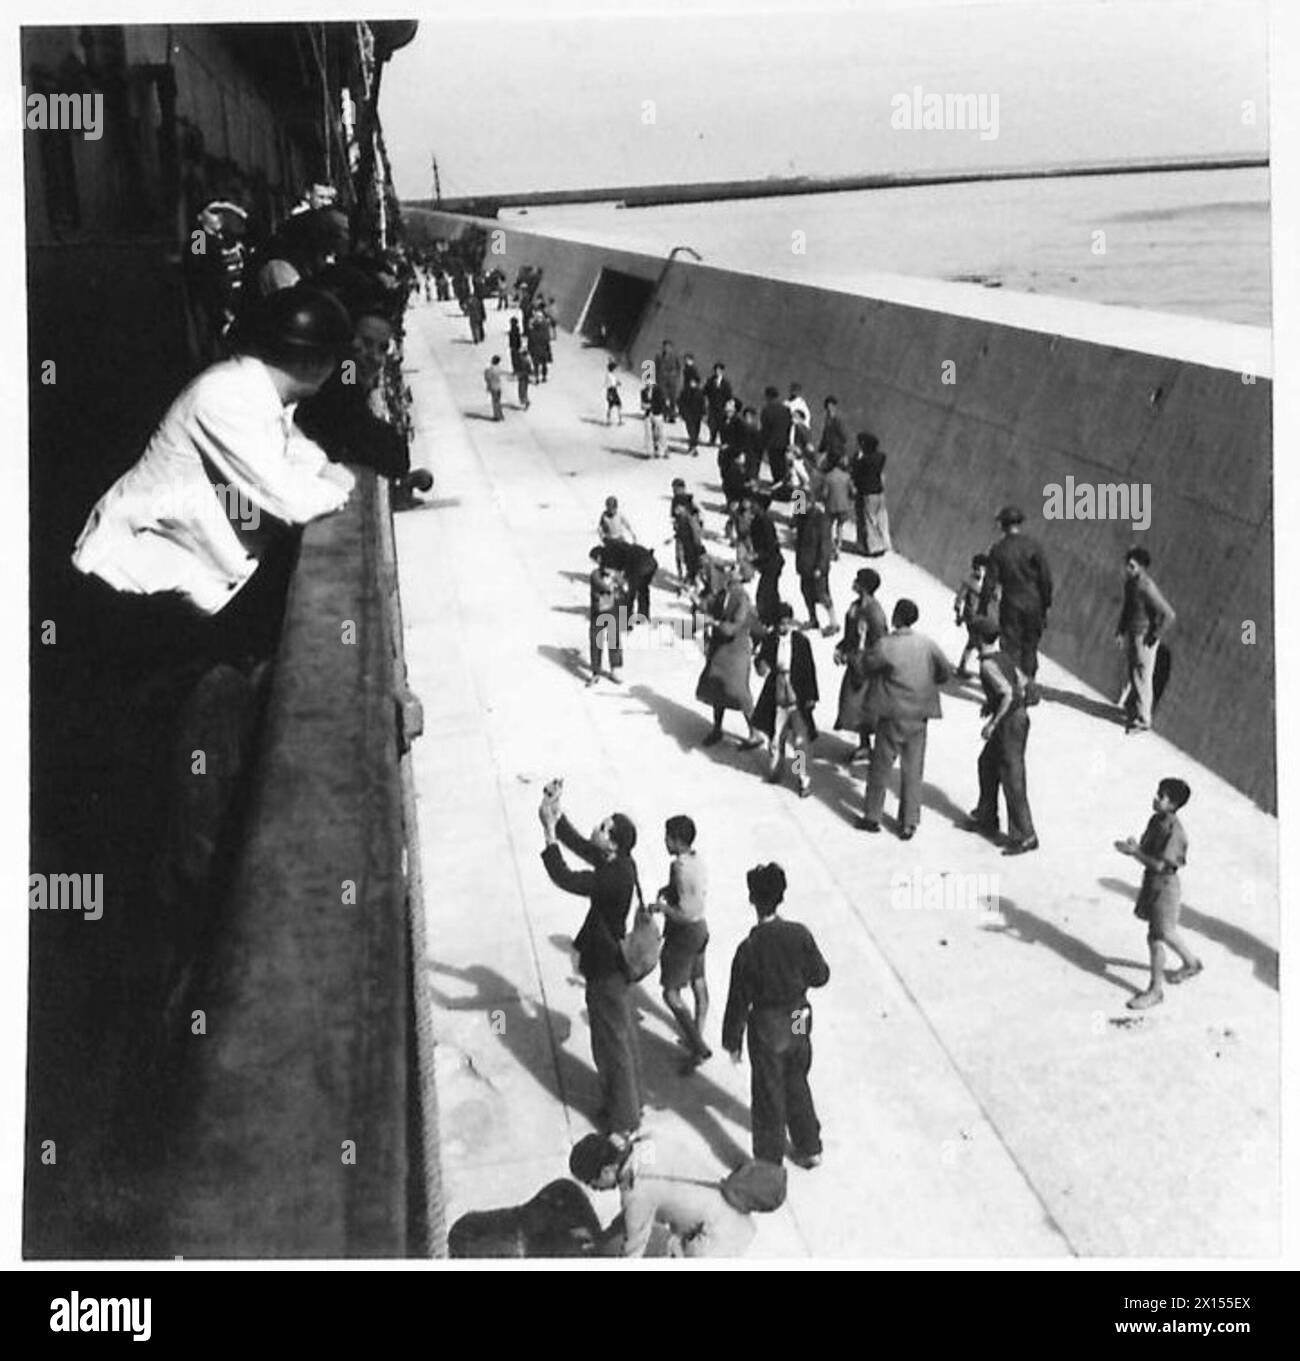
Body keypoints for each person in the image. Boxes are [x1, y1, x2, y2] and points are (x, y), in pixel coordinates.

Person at [72, 285, 356, 625]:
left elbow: (297, 454)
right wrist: (340, 485)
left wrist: (324, 469)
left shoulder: (259, 393)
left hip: (180, 580)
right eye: (334, 358)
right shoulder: (227, 397)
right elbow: (289, 501)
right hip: (129, 582)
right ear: (312, 361)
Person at [538, 785, 644, 1135]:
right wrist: (558, 812)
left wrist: (548, 833)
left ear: (612, 843)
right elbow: (585, 847)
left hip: (606, 971)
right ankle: (623, 1105)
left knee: (613, 1047)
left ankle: (624, 1120)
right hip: (607, 967)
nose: (596, 829)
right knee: (615, 1040)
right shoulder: (620, 862)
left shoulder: (612, 877)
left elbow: (565, 877)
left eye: (602, 827)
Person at [722, 863, 830, 1169]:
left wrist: (732, 1040)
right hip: (798, 1016)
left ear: (752, 899)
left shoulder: (749, 948)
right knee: (797, 1079)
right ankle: (810, 1146)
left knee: (769, 1094)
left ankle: (769, 1162)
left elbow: (738, 1000)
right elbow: (820, 975)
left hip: (768, 1026)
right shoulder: (799, 934)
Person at [858, 599, 954, 839]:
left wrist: (861, 641)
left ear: (896, 618)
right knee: (912, 771)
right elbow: (945, 671)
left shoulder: (886, 645)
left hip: (892, 714)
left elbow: (864, 666)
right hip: (919, 715)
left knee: (880, 768)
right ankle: (909, 822)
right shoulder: (927, 644)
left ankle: (872, 816)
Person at [569, 1135, 755, 1258]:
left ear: (606, 1171)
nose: (594, 1189)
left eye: (591, 1182)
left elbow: (633, 1250)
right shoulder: (645, 1145)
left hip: (720, 1239)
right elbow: (633, 1216)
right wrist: (603, 1237)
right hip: (733, 1212)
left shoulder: (637, 1192)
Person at [1116, 778, 1202, 1010]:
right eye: (1158, 793)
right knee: (1165, 932)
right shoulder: (1156, 821)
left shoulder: (1176, 832)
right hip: (1153, 883)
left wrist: (1136, 853)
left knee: (1156, 936)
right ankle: (1191, 963)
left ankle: (1155, 990)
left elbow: (1162, 866)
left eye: (1162, 796)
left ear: (1173, 804)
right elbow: (1146, 850)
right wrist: (1133, 848)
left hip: (1165, 886)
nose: (1156, 798)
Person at [963, 617, 1038, 854]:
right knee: (987, 763)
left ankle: (1025, 835)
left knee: (1012, 777)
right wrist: (991, 703)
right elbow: (1022, 682)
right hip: (1015, 718)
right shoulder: (1003, 656)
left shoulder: (987, 665)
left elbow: (1007, 694)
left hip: (1010, 724)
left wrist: (993, 724)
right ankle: (986, 816)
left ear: (977, 638)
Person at [654, 815, 712, 1071]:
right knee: (699, 984)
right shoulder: (694, 860)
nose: (664, 841)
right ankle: (697, 1038)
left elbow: (686, 913)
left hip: (685, 934)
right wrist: (668, 891)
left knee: (671, 993)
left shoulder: (679, 867)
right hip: (701, 930)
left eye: (668, 837)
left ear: (678, 841)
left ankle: (697, 1044)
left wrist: (662, 909)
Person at [979, 505, 1053, 699]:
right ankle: (1029, 688)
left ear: (1003, 525)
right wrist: (1045, 605)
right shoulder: (1033, 545)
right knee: (1030, 647)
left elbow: (989, 582)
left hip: (1011, 604)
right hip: (1034, 604)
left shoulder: (999, 550)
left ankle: (1014, 689)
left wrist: (982, 607)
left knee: (1011, 648)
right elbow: (1046, 579)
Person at [696, 560, 766, 749]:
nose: (728, 573)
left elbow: (735, 626)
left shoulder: (742, 598)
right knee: (716, 687)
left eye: (732, 571)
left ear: (740, 577)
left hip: (736, 651)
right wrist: (697, 601)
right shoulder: (723, 593)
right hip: (721, 649)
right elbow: (708, 606)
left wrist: (714, 623)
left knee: (739, 692)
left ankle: (755, 732)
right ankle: (717, 729)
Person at [753, 605, 819, 798]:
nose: (784, 626)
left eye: (787, 622)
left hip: (797, 696)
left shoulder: (801, 642)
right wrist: (761, 665)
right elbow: (761, 662)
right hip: (776, 695)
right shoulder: (770, 640)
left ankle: (802, 778)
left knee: (799, 741)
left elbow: (809, 670)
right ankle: (776, 769)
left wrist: (811, 697)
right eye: (780, 623)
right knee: (776, 737)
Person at [1115, 546, 1176, 734]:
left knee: (1143, 678)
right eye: (1128, 565)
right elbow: (1127, 608)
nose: (1128, 568)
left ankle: (1143, 720)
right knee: (1134, 674)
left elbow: (1169, 614)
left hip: (1144, 638)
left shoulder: (1146, 586)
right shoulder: (1130, 583)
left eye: (1132, 566)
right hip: (1133, 635)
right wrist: (1120, 631)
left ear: (1141, 567)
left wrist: (1154, 636)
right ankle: (1134, 711)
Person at [834, 568, 888, 764]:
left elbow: (880, 643)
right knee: (855, 707)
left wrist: (866, 662)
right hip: (855, 665)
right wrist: (841, 649)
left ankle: (881, 748)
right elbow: (850, 636)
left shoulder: (875, 614)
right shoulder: (855, 607)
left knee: (869, 710)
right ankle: (864, 744)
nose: (854, 582)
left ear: (864, 586)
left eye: (858, 580)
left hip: (868, 668)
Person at [794, 489, 837, 635]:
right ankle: (813, 619)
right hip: (805, 563)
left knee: (822, 593)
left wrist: (821, 566)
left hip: (817, 564)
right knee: (806, 592)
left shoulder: (821, 519)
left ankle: (833, 622)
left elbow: (825, 545)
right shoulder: (802, 517)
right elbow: (799, 541)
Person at [741, 494, 785, 626]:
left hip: (772, 562)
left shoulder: (765, 522)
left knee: (765, 594)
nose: (751, 506)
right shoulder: (757, 521)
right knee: (770, 592)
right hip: (767, 563)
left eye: (754, 503)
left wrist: (757, 556)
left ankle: (769, 620)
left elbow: (770, 546)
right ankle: (774, 617)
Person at [587, 547, 625, 685]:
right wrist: (614, 586)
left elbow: (623, 589)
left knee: (614, 641)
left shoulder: (616, 576)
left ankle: (615, 669)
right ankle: (596, 671)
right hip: (598, 612)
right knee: (596, 641)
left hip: (612, 612)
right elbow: (604, 586)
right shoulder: (595, 575)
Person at [850, 432, 891, 556]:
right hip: (878, 492)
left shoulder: (864, 460)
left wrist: (858, 458)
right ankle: (882, 544)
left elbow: (856, 470)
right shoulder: (881, 457)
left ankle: (872, 547)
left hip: (867, 492)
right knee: (879, 520)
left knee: (868, 521)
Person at [599, 538, 658, 622]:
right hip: (652, 564)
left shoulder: (610, 554)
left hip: (638, 565)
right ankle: (643, 617)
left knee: (630, 593)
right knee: (643, 590)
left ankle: (626, 619)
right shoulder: (623, 548)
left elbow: (613, 573)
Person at [953, 553, 992, 679]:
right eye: (980, 568)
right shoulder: (970, 582)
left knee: (973, 643)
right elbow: (959, 599)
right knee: (981, 646)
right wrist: (958, 615)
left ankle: (962, 667)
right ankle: (987, 674)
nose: (981, 571)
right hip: (972, 618)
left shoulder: (984, 583)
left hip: (979, 618)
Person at [759, 386, 793, 486]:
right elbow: (789, 425)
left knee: (774, 464)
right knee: (782, 463)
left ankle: (778, 482)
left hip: (772, 442)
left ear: (768, 396)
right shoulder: (785, 409)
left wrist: (762, 443)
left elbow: (765, 428)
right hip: (784, 441)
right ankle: (784, 482)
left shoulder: (766, 410)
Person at [822, 456, 854, 560]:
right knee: (840, 527)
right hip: (843, 506)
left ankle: (831, 547)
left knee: (829, 527)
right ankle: (838, 547)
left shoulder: (828, 476)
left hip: (831, 505)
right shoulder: (847, 477)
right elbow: (853, 491)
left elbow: (824, 494)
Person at [703, 362, 733, 445]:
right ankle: (712, 439)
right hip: (712, 406)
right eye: (716, 370)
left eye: (719, 370)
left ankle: (723, 441)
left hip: (722, 408)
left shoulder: (726, 383)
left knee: (721, 425)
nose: (717, 372)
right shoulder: (710, 381)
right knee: (712, 424)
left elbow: (729, 396)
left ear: (722, 372)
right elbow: (704, 392)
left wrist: (728, 408)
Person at [679, 372, 706, 456]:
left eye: (694, 382)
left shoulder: (699, 393)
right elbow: (681, 403)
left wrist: (704, 413)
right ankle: (693, 447)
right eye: (691, 382)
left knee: (696, 432)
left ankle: (692, 446)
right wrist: (682, 413)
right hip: (688, 415)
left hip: (697, 416)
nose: (692, 384)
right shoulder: (685, 392)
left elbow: (702, 404)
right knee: (691, 431)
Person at [655, 339, 682, 422]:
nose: (666, 348)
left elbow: (679, 367)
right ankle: (665, 414)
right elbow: (656, 368)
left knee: (673, 398)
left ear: (671, 347)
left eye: (668, 347)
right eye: (664, 346)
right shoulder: (659, 356)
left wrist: (676, 377)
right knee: (663, 397)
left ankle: (672, 415)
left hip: (672, 380)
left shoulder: (675, 356)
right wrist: (657, 380)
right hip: (662, 380)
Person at [817, 395, 848, 468]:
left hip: (837, 450)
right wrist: (821, 448)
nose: (829, 408)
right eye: (828, 406)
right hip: (829, 450)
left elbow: (843, 436)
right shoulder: (827, 420)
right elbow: (825, 435)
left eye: (831, 406)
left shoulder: (837, 419)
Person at [640, 377, 668, 459]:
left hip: (657, 413)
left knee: (660, 433)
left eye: (650, 383)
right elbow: (642, 404)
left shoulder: (659, 391)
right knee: (648, 434)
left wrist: (652, 406)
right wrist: (645, 406)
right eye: (647, 383)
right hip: (648, 414)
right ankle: (649, 452)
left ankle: (663, 450)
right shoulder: (643, 392)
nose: (648, 385)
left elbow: (662, 403)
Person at [527, 309, 552, 381]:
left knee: (536, 365)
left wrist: (529, 349)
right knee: (544, 364)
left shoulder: (533, 330)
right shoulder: (545, 329)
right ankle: (544, 377)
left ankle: (537, 377)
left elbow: (530, 340)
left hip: (535, 350)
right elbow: (548, 339)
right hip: (544, 349)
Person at [484, 355, 505, 421]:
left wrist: (486, 371)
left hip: (493, 387)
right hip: (499, 386)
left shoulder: (491, 369)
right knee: (498, 401)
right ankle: (500, 415)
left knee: (495, 402)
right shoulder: (499, 368)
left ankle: (497, 416)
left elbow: (487, 378)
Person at [604, 360, 624, 426]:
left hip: (613, 391)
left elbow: (615, 381)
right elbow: (612, 384)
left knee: (616, 406)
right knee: (612, 406)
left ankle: (617, 421)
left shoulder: (611, 375)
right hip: (611, 392)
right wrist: (617, 383)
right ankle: (609, 421)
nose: (616, 370)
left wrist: (617, 382)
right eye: (615, 368)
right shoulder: (609, 376)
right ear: (613, 369)